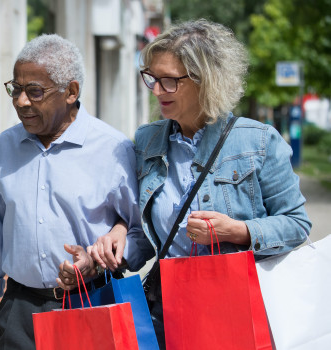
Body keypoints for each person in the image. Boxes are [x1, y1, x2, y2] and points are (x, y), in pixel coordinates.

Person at [65, 19, 312, 349]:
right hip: (168, 314)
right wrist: (109, 251)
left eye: (169, 81)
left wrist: (237, 231)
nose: (156, 91)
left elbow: (297, 224)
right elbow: (146, 237)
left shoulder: (259, 142)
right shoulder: (147, 141)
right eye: (152, 79)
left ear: (205, 80)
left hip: (237, 313)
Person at [0, 33, 142, 350]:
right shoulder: (1, 150)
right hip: (19, 311)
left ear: (70, 92)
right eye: (15, 90)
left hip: (94, 305)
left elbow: (141, 233)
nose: (20, 101)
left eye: (34, 91)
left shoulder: (113, 150)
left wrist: (98, 262)